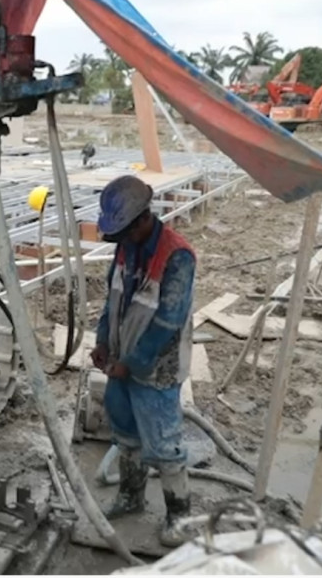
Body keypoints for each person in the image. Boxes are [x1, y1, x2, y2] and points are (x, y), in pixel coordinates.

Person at [90, 175, 196, 548]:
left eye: (122, 231)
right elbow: (112, 300)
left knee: (165, 443)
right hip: (122, 360)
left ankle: (179, 515)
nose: (117, 240)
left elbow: (168, 321)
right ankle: (131, 496)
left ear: (141, 221)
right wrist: (103, 341)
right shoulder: (125, 248)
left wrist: (132, 363)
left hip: (156, 367)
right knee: (126, 434)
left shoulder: (177, 256)